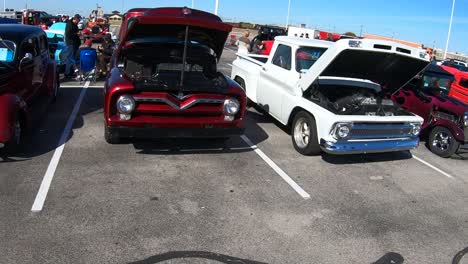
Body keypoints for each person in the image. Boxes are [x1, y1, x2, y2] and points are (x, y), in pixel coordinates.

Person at [64, 14, 82, 78]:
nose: (79, 21)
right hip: (70, 43)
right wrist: (76, 34)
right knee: (70, 58)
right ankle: (67, 72)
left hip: (75, 43)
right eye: (78, 20)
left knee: (73, 58)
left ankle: (71, 72)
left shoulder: (75, 25)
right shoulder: (69, 24)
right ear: (75, 19)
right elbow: (68, 34)